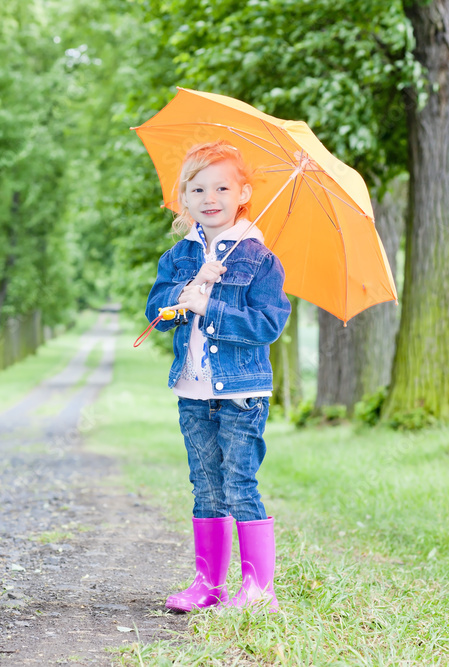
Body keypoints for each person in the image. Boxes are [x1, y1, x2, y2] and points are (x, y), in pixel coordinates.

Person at [144, 140, 291, 612]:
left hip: (242, 393)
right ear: (184, 198)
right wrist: (188, 288)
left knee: (238, 484)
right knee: (205, 485)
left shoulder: (260, 260)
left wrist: (211, 305)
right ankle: (208, 584)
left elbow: (267, 325)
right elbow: (156, 314)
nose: (210, 198)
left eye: (222, 188)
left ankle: (258, 589)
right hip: (193, 391)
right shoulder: (178, 257)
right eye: (198, 189)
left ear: (243, 193)